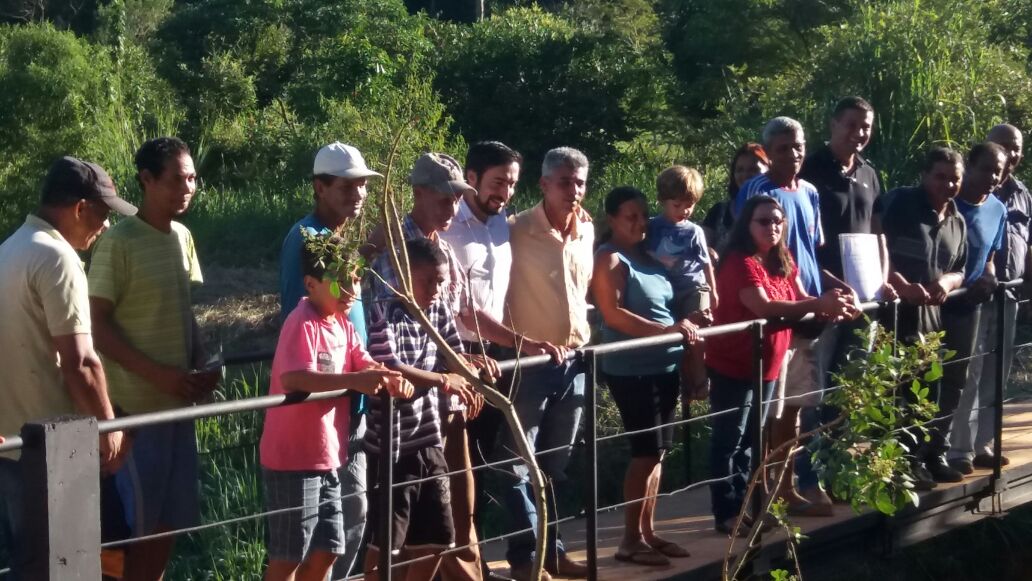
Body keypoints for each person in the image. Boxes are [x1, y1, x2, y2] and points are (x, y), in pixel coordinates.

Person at [365, 151, 541, 581]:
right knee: (398, 527)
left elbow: (451, 322)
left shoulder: (443, 250)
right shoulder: (393, 252)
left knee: (454, 501)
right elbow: (387, 341)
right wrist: (449, 374)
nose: (451, 207)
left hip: (445, 398)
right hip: (405, 414)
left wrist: (465, 364)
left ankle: (466, 573)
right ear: (418, 193)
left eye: (456, 198)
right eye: (444, 198)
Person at [0, 157, 134, 579]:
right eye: (104, 212)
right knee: (72, 563)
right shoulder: (58, 258)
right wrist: (108, 427)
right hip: (56, 451)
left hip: (12, 447)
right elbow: (81, 361)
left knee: (29, 562)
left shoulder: (9, 250)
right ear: (80, 208)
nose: (107, 225)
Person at [438, 141, 565, 581]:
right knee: (458, 465)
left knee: (483, 460)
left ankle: (479, 563)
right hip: (456, 356)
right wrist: (525, 342)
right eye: (497, 182)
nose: (505, 192)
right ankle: (459, 567)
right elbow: (459, 309)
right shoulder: (449, 227)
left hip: (494, 357)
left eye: (511, 183)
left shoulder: (500, 226)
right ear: (470, 178)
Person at [89, 137, 214, 581]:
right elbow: (97, 326)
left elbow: (184, 312)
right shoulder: (118, 243)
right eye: (179, 179)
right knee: (131, 535)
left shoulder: (183, 237)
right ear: (146, 180)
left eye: (193, 178)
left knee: (167, 525)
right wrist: (158, 375)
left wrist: (202, 361)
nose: (190, 187)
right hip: (136, 418)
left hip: (179, 408)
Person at [261, 231, 408, 581]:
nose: (352, 291)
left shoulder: (342, 323)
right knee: (289, 557)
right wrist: (352, 382)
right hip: (293, 459)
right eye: (341, 281)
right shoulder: (302, 322)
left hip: (328, 455)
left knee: (329, 548)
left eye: (356, 279)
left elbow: (362, 360)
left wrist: (387, 375)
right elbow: (295, 378)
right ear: (311, 284)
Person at [705, 195, 855, 535]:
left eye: (777, 221)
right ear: (747, 224)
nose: (772, 226)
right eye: (763, 221)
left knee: (753, 440)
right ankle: (727, 511)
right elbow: (765, 307)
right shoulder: (738, 261)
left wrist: (834, 304)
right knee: (730, 440)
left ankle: (750, 506)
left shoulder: (781, 258)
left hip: (768, 365)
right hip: (733, 363)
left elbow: (799, 298)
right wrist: (820, 303)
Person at [735, 117, 857, 514]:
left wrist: (836, 287)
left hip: (806, 308)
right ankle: (764, 490)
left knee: (798, 405)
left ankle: (787, 488)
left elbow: (808, 252)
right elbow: (749, 249)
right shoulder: (759, 191)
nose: (794, 154)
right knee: (772, 407)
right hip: (778, 312)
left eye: (799, 146)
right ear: (768, 153)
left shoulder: (809, 192)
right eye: (784, 148)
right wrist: (796, 301)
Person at [279, 141, 383, 580]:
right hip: (328, 403)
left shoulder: (341, 239)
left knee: (348, 518)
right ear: (320, 187)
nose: (358, 194)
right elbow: (301, 317)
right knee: (318, 530)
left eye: (362, 186)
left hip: (350, 397)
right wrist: (344, 381)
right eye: (347, 186)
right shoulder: (305, 239)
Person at [362, 238, 489, 581]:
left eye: (441, 281)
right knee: (385, 543)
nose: (436, 289)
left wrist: (471, 376)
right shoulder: (382, 311)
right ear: (405, 277)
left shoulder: (438, 309)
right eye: (428, 281)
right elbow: (388, 365)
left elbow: (453, 353)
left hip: (429, 437)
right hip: (393, 445)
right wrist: (442, 380)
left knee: (439, 536)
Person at [592, 186, 699, 566]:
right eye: (629, 217)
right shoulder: (610, 258)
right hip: (632, 369)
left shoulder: (648, 255)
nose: (639, 223)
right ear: (612, 220)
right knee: (645, 453)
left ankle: (648, 532)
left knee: (658, 453)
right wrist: (667, 332)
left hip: (664, 365)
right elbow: (613, 314)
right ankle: (628, 539)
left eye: (642, 215)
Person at [797, 96, 895, 507]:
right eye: (852, 124)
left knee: (850, 389)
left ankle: (839, 475)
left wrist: (884, 279)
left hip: (865, 301)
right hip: (825, 299)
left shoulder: (870, 173)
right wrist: (835, 285)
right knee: (815, 392)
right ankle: (808, 478)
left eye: (866, 126)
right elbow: (805, 243)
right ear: (833, 124)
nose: (859, 133)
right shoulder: (812, 170)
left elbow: (877, 232)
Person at [501, 147, 594, 581]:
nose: (572, 191)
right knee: (518, 464)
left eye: (579, 182)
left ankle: (553, 552)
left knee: (555, 466)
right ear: (543, 184)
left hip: (574, 363)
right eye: (563, 182)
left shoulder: (586, 231)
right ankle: (527, 559)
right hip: (531, 363)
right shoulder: (516, 230)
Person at [876, 146, 968, 488]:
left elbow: (961, 268)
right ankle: (892, 469)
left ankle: (920, 461)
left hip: (931, 321)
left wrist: (946, 281)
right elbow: (879, 245)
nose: (947, 184)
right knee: (893, 394)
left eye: (954, 178)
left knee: (925, 393)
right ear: (925, 175)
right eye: (940, 177)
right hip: (893, 317)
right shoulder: (902, 205)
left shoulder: (957, 219)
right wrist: (900, 283)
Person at [950, 125, 1031, 473]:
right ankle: (959, 449)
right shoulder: (957, 197)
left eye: (1016, 149)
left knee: (996, 373)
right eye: (1003, 147)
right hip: (967, 299)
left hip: (1008, 294)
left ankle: (984, 442)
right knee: (967, 372)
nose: (1010, 154)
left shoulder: (1021, 195)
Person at [936, 143, 1007, 479]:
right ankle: (943, 450)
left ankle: (970, 448)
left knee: (972, 376)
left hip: (975, 303)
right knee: (941, 377)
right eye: (986, 169)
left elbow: (991, 255)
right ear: (971, 167)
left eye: (998, 170)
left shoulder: (998, 208)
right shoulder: (949, 203)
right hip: (939, 302)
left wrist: (990, 275)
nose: (992, 177)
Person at [646, 166, 717, 398]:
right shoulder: (652, 227)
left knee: (697, 329)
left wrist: (713, 292)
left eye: (690, 205)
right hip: (666, 288)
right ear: (662, 201)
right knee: (679, 335)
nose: (684, 211)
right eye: (677, 205)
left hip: (694, 286)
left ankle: (700, 376)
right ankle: (683, 381)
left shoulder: (694, 231)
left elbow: (705, 262)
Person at [702, 143, 769, 255]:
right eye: (740, 170)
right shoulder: (718, 212)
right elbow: (701, 248)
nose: (745, 175)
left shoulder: (777, 212)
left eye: (753, 169)